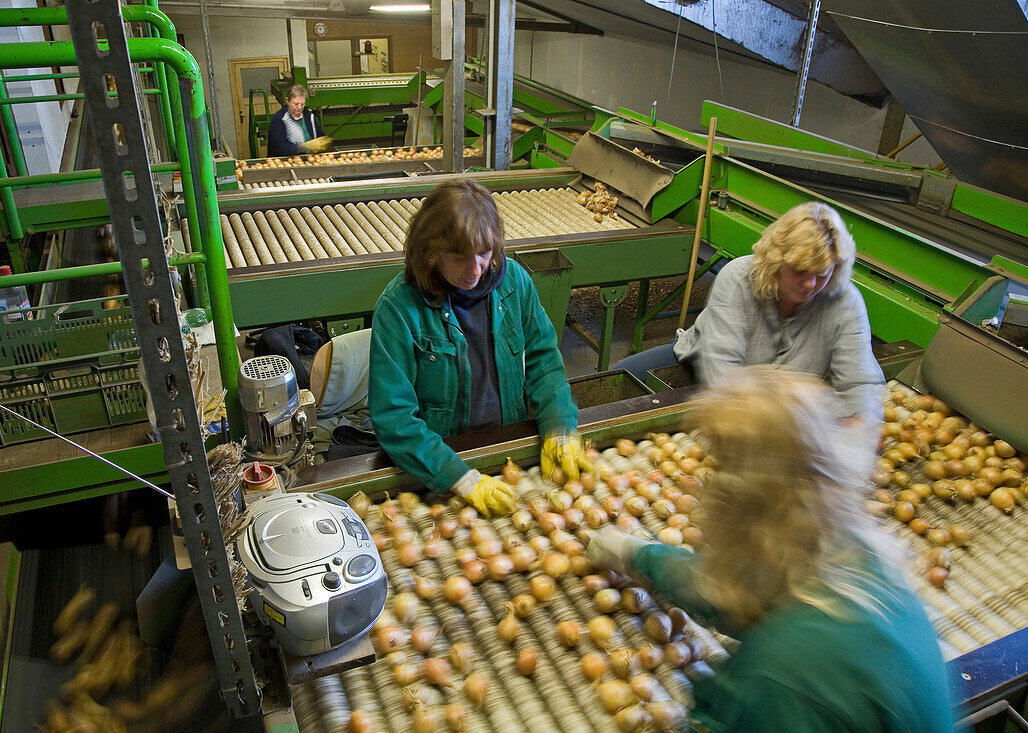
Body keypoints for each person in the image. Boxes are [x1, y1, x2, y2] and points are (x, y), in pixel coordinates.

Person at [586, 366, 956, 732]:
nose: (705, 489)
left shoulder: (778, 684)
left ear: (742, 505)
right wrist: (636, 554)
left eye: (719, 469)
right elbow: (734, 586)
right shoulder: (862, 561)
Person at [369, 179, 590, 516]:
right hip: (442, 460)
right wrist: (460, 479)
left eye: (484, 254)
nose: (475, 270)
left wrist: (559, 424)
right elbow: (395, 418)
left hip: (508, 445)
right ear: (431, 251)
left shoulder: (514, 282)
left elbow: (544, 359)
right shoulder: (399, 309)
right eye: (459, 258)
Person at [616, 201, 883, 428]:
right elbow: (721, 369)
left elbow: (859, 381)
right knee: (620, 377)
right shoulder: (739, 279)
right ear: (777, 261)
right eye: (800, 271)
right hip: (703, 368)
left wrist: (862, 424)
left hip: (785, 406)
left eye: (821, 274)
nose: (810, 284)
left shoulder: (844, 302)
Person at [267, 84, 325, 157]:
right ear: (287, 101)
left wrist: (322, 142)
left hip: (308, 160)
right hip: (285, 162)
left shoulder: (308, 115)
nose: (299, 107)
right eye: (296, 104)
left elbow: (319, 135)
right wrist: (303, 147)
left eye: (302, 104)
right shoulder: (279, 119)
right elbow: (279, 147)